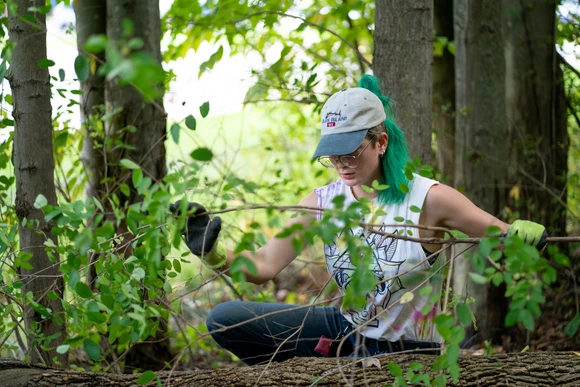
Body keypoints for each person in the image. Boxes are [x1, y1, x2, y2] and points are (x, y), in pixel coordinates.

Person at [173, 75, 547, 366]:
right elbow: (263, 265)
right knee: (225, 317)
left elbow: (500, 234)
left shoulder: (428, 199)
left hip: (411, 349)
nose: (342, 164)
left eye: (351, 151)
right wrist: (213, 252)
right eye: (333, 155)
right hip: (347, 332)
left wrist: (518, 234)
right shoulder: (322, 203)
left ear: (381, 142)